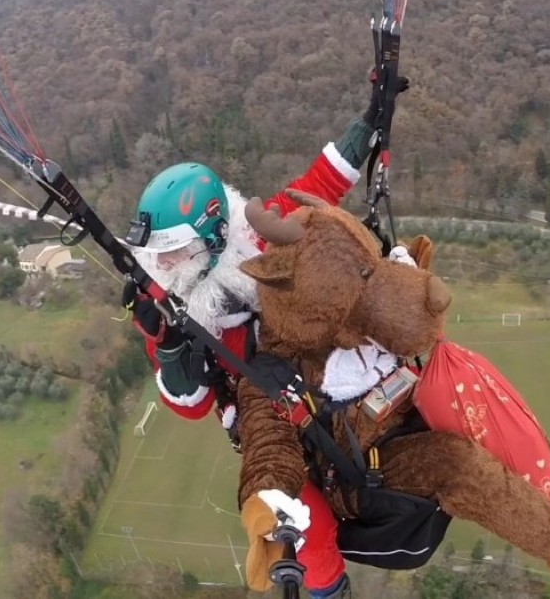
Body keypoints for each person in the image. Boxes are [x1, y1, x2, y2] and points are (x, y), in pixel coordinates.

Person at [121, 74, 408, 599]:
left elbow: (322, 183)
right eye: (156, 254)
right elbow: (189, 405)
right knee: (301, 526)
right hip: (265, 415)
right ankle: (327, 590)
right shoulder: (166, 309)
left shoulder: (254, 232)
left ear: (212, 233)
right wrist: (169, 348)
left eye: (173, 251)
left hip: (321, 371)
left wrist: (370, 120)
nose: (162, 265)